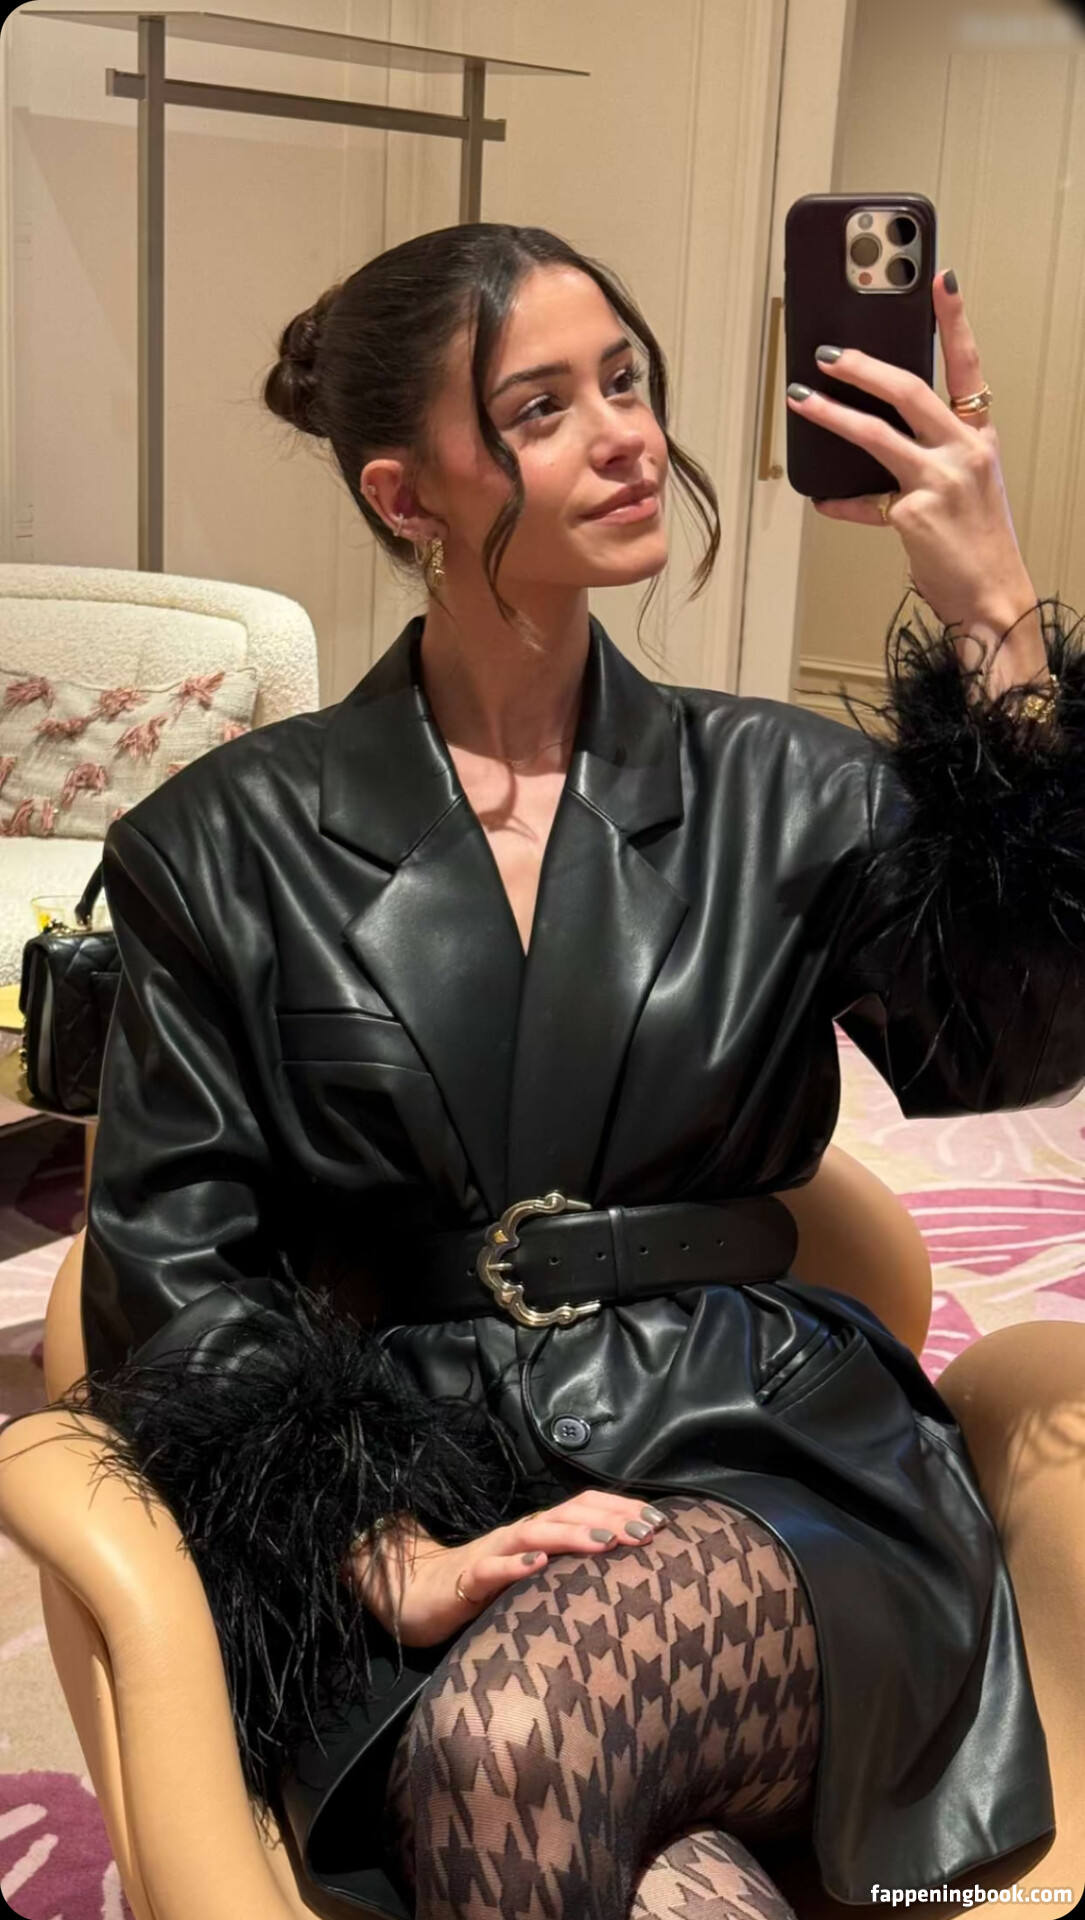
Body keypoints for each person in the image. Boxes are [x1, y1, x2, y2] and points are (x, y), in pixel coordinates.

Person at [37, 223, 1085, 1920]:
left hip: (767, 1458)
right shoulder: (224, 846)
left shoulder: (786, 788)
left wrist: (990, 617)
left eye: (625, 381)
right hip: (417, 1477)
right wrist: (376, 1549)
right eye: (539, 408)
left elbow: (1017, 1041)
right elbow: (174, 1261)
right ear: (403, 497)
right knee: (651, 1877)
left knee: (511, 1743)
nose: (625, 436)